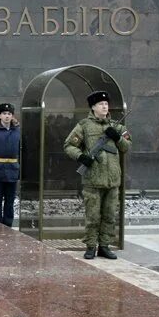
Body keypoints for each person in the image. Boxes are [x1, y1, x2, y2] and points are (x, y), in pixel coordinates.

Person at [64, 91, 131, 260]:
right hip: (93, 179)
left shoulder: (117, 126)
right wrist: (81, 156)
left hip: (113, 180)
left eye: (106, 103)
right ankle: (91, 246)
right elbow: (69, 145)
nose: (105, 106)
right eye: (101, 104)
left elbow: (126, 146)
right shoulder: (84, 125)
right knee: (93, 216)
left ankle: (104, 246)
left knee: (109, 215)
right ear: (93, 107)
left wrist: (118, 138)